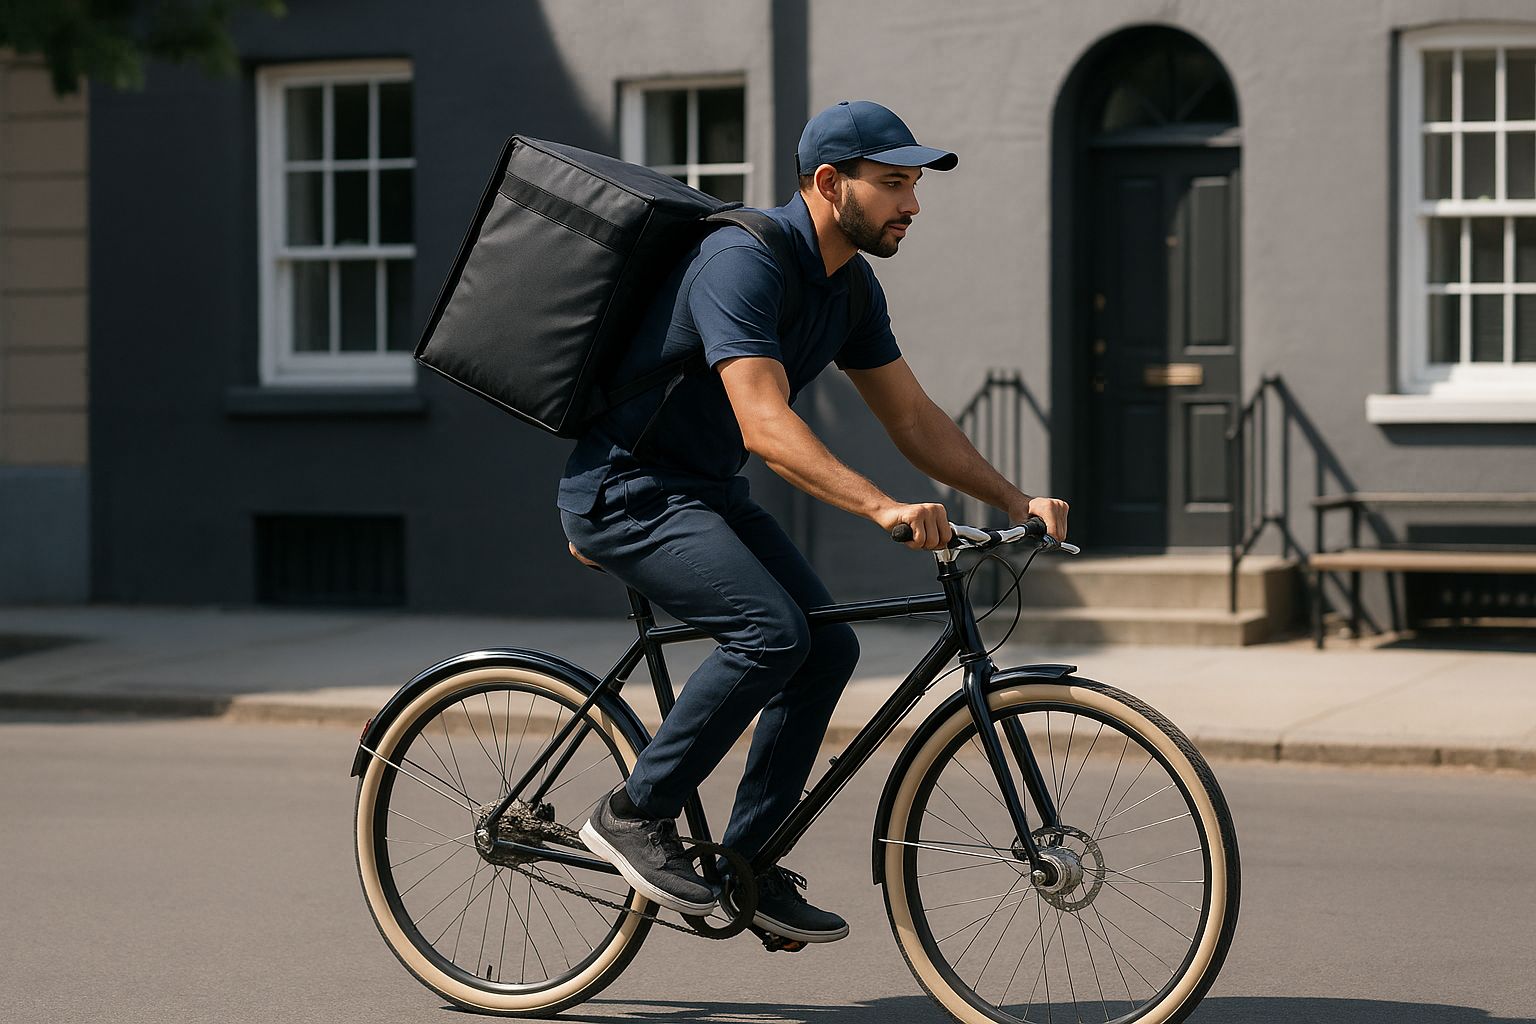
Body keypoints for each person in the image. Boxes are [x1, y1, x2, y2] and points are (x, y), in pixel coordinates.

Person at [564, 99, 1069, 944]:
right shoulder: (741, 262)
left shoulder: (850, 287)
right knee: (770, 634)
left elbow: (912, 417)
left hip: (705, 490)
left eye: (914, 186)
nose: (913, 205)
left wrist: (1014, 499)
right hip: (627, 489)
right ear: (830, 183)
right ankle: (632, 813)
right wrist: (881, 506)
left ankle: (747, 865)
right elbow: (764, 423)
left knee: (827, 645)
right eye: (894, 184)